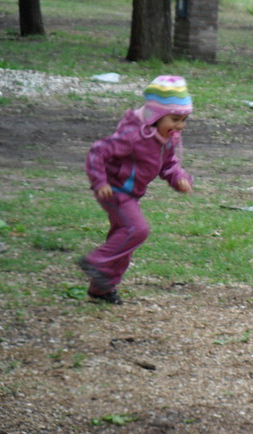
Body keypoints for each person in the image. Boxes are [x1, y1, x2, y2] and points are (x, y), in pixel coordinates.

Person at [78, 75, 194, 304]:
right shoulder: (133, 136)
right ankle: (96, 262)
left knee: (124, 241)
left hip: (131, 194)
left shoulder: (167, 138)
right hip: (114, 191)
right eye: (175, 119)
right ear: (156, 116)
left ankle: (102, 288)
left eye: (184, 119)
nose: (180, 125)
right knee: (137, 230)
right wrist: (100, 182)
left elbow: (169, 164)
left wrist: (178, 178)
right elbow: (97, 152)